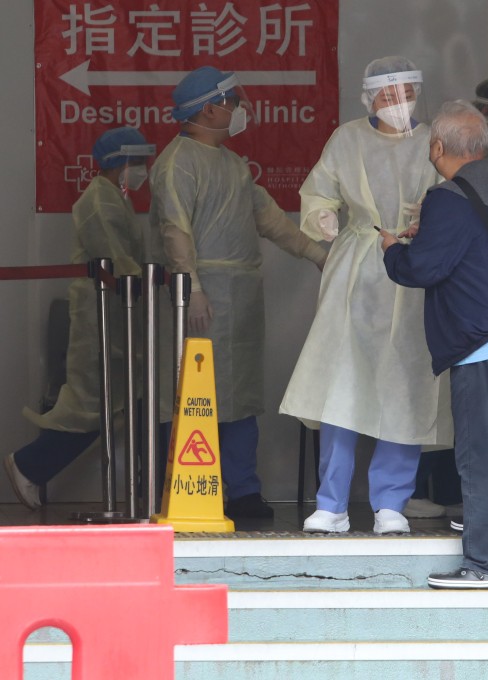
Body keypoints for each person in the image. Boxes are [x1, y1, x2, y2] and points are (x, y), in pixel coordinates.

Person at [280, 56, 452, 535]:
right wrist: (322, 217)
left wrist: (432, 216)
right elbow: (319, 191)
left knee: (406, 383)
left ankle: (391, 503)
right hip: (356, 268)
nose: (398, 103)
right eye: (388, 95)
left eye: (406, 94)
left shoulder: (432, 141)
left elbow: (454, 192)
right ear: (369, 99)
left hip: (412, 268)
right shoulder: (347, 138)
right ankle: (331, 502)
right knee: (342, 382)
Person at [148, 66, 328, 519]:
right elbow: (175, 230)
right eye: (231, 101)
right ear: (209, 109)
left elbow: (267, 217)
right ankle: (189, 488)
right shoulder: (177, 163)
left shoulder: (232, 164)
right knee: (196, 396)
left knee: (240, 397)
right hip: (203, 300)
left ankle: (243, 489)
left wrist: (317, 254)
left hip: (240, 300)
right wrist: (192, 288)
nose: (239, 109)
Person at [381, 100, 488, 588]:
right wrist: (430, 234)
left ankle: (487, 564)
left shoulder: (446, 198)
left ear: (437, 147)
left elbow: (422, 268)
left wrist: (393, 250)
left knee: (479, 452)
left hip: (482, 341)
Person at [4, 127, 156, 509]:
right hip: (99, 316)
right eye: (138, 161)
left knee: (128, 402)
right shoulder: (99, 200)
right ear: (120, 161)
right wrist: (147, 282)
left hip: (116, 315)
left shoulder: (115, 197)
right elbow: (115, 257)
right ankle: (29, 464)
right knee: (93, 408)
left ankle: (149, 486)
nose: (143, 168)